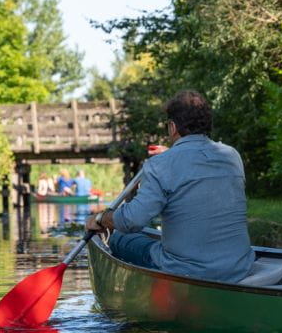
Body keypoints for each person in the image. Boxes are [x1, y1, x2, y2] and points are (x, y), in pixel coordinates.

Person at [85, 90, 254, 283]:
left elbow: (132, 221)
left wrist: (100, 218)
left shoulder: (160, 165)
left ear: (172, 127)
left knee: (119, 237)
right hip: (239, 267)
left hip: (184, 269)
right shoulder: (232, 156)